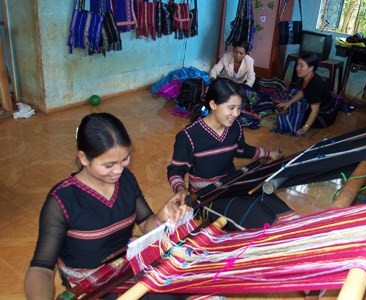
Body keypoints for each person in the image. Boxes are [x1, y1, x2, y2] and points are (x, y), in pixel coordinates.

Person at [24, 113, 189, 299]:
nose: (119, 170)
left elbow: (145, 224)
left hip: (125, 268)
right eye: (109, 165)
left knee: (183, 285)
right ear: (84, 158)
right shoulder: (62, 201)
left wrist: (160, 217)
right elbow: (41, 268)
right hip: (92, 284)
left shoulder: (126, 180)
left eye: (125, 159)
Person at [167, 78, 290, 230]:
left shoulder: (234, 127)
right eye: (231, 108)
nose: (236, 114)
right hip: (206, 196)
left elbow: (243, 150)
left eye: (239, 108)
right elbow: (176, 170)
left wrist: (269, 153)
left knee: (276, 207)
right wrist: (180, 189)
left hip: (232, 183)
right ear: (213, 105)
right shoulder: (189, 136)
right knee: (261, 221)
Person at [274, 52, 337, 136]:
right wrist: (288, 103)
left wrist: (305, 128)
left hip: (324, 116)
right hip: (321, 108)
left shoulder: (314, 85)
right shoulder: (308, 77)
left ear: (311, 68)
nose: (297, 68)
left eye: (302, 65)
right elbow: (303, 91)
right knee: (292, 102)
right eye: (297, 65)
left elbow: (315, 111)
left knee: (292, 122)